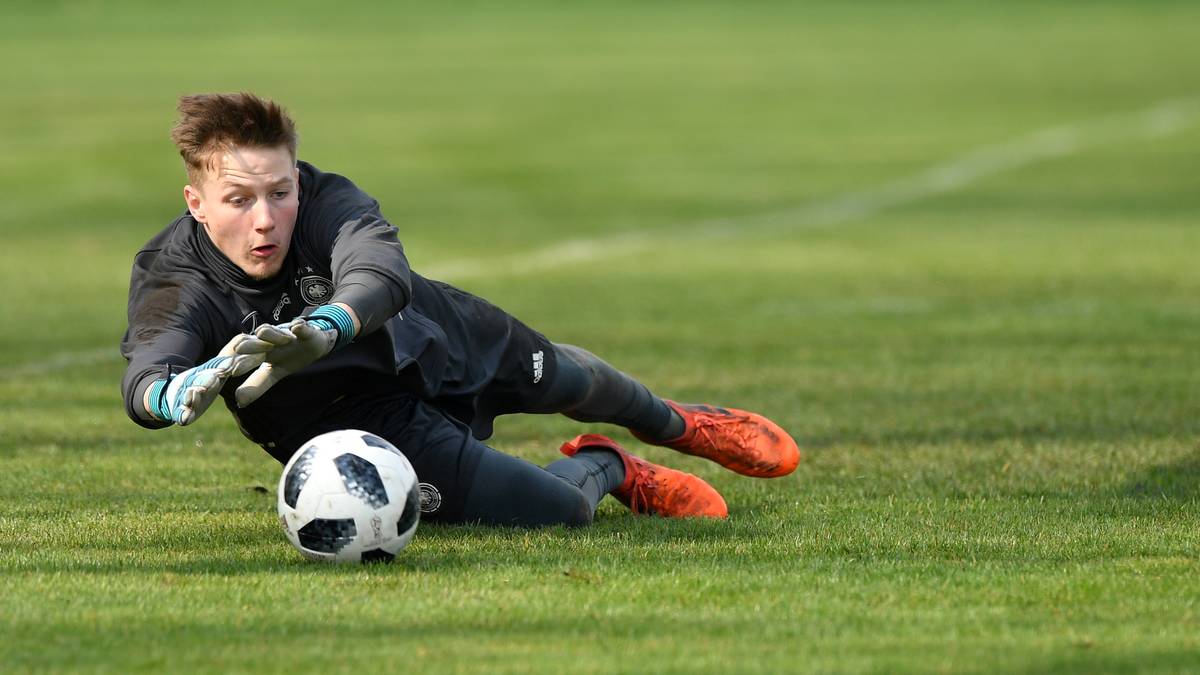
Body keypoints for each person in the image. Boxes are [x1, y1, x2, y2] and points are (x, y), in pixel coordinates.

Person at [121, 92, 800, 528]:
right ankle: (614, 466)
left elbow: (380, 271)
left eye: (279, 191)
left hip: (434, 332)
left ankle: (679, 423)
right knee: (559, 512)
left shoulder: (326, 198)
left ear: (296, 178)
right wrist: (169, 391)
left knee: (570, 379)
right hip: (363, 428)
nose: (267, 218)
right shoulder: (174, 277)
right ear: (196, 202)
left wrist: (327, 328)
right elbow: (149, 371)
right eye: (240, 199)